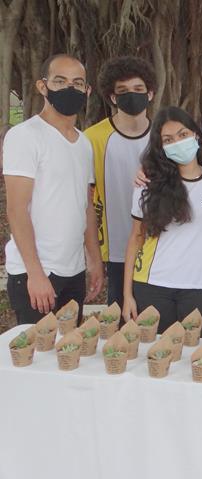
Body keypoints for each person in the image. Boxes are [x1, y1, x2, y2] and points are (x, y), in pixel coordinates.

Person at [3, 54, 103, 323]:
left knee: (71, 347)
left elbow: (85, 205)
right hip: (37, 273)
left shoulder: (83, 144)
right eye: (60, 81)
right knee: (37, 348)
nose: (70, 88)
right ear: (42, 86)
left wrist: (93, 260)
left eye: (77, 83)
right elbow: (16, 210)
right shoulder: (25, 136)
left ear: (87, 90)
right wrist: (35, 274)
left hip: (73, 271)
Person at [122, 107, 202, 335]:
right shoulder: (147, 184)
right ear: (161, 147)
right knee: (153, 353)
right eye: (168, 140)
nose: (177, 143)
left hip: (199, 287)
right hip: (153, 285)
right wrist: (127, 295)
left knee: (197, 354)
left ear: (196, 134)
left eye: (183, 134)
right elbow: (136, 238)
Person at [85, 56, 157, 310]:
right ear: (113, 97)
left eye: (138, 89)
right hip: (116, 247)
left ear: (150, 93)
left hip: (159, 245)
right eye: (123, 91)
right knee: (121, 318)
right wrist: (93, 255)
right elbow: (86, 199)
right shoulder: (93, 138)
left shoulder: (164, 135)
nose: (132, 95)